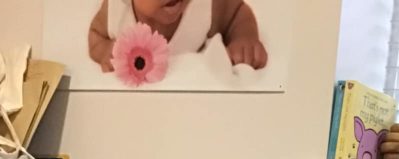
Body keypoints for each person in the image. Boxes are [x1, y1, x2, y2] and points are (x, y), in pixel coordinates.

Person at [88, 0, 267, 73]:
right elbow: (96, 34)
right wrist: (105, 50)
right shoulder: (117, 13)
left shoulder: (205, 7)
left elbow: (237, 12)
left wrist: (244, 37)